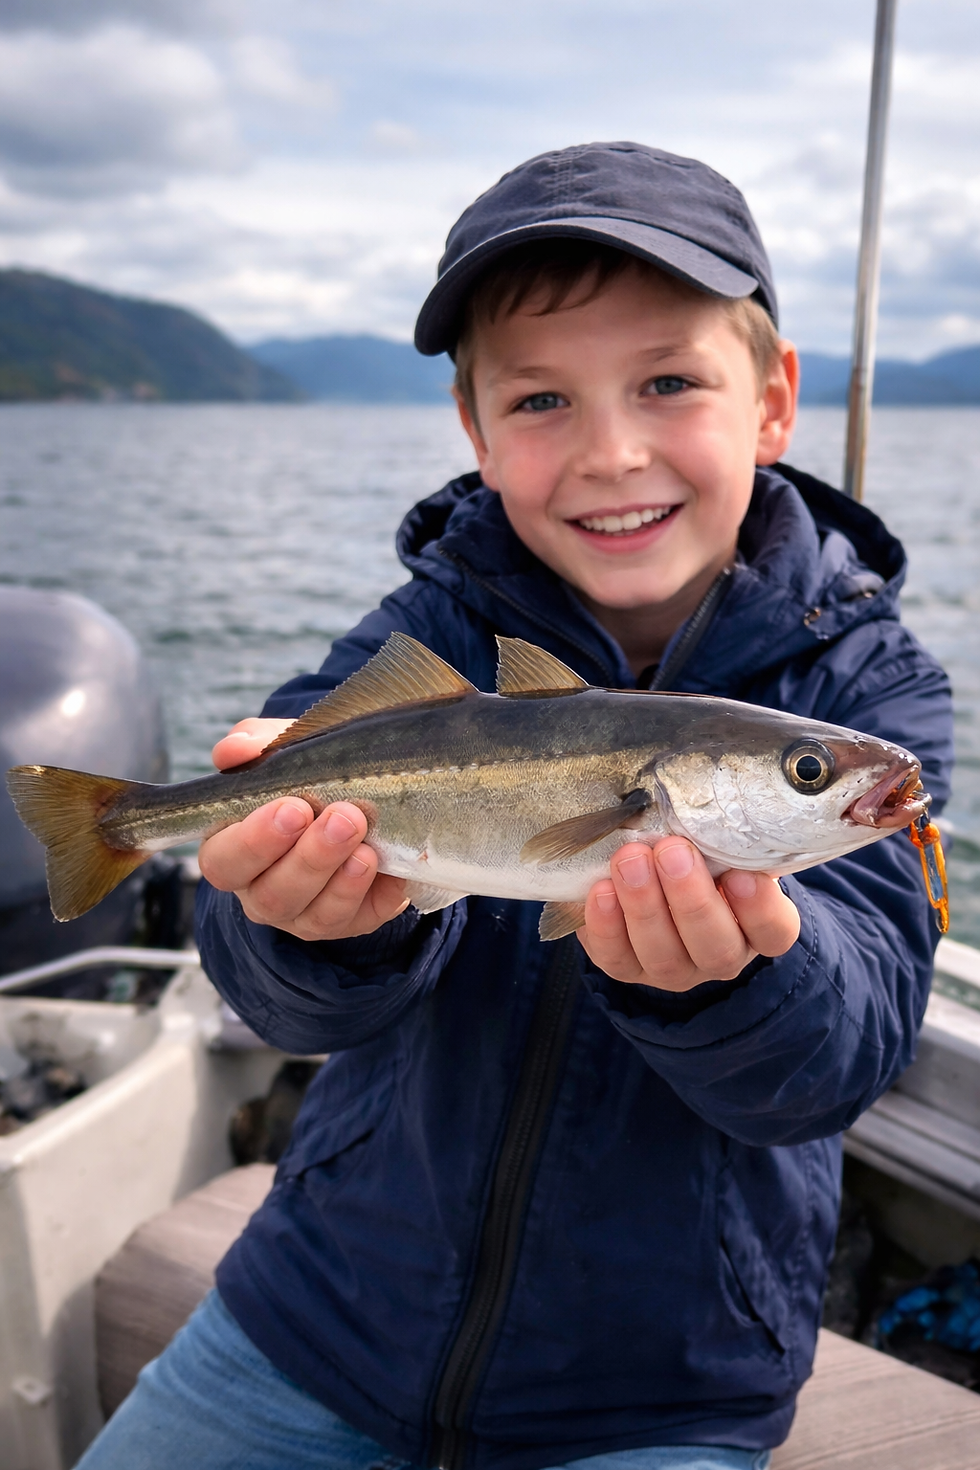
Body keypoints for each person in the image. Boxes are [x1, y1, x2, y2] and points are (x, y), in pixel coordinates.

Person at [77, 143, 953, 1470]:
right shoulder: (424, 637)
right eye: (542, 399)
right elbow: (272, 995)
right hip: (312, 1316)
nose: (611, 451)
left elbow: (846, 1052)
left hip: (659, 1396)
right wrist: (317, 928)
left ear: (773, 401)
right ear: (477, 433)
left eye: (668, 380)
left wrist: (731, 987)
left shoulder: (868, 687)